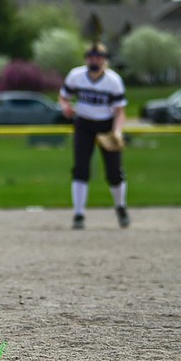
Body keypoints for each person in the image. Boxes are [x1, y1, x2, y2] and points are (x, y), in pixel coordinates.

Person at [58, 42, 129, 229]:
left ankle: (120, 207)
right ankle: (79, 214)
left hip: (107, 125)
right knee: (80, 168)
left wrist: (117, 131)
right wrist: (65, 106)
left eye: (98, 57)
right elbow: (63, 96)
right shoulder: (76, 75)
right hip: (84, 124)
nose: (94, 60)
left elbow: (120, 111)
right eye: (91, 56)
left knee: (114, 172)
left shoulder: (113, 81)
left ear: (105, 60)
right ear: (86, 58)